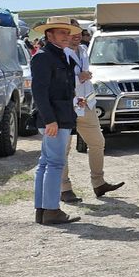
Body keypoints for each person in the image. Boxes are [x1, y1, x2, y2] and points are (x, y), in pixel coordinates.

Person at [59, 26, 123, 203]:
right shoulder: (60, 54)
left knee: (97, 142)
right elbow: (58, 80)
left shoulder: (84, 50)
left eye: (80, 32)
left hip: (86, 104)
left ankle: (98, 182)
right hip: (68, 105)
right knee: (63, 148)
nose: (77, 36)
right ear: (65, 35)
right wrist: (79, 77)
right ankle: (64, 188)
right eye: (73, 33)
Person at [29, 16, 83, 225]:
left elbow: (54, 88)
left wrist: (73, 99)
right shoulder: (44, 57)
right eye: (62, 32)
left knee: (46, 163)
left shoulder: (57, 55)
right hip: (55, 119)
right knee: (54, 163)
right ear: (49, 34)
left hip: (58, 116)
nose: (66, 36)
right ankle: (50, 210)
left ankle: (44, 209)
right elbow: (39, 91)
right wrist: (49, 119)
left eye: (67, 33)